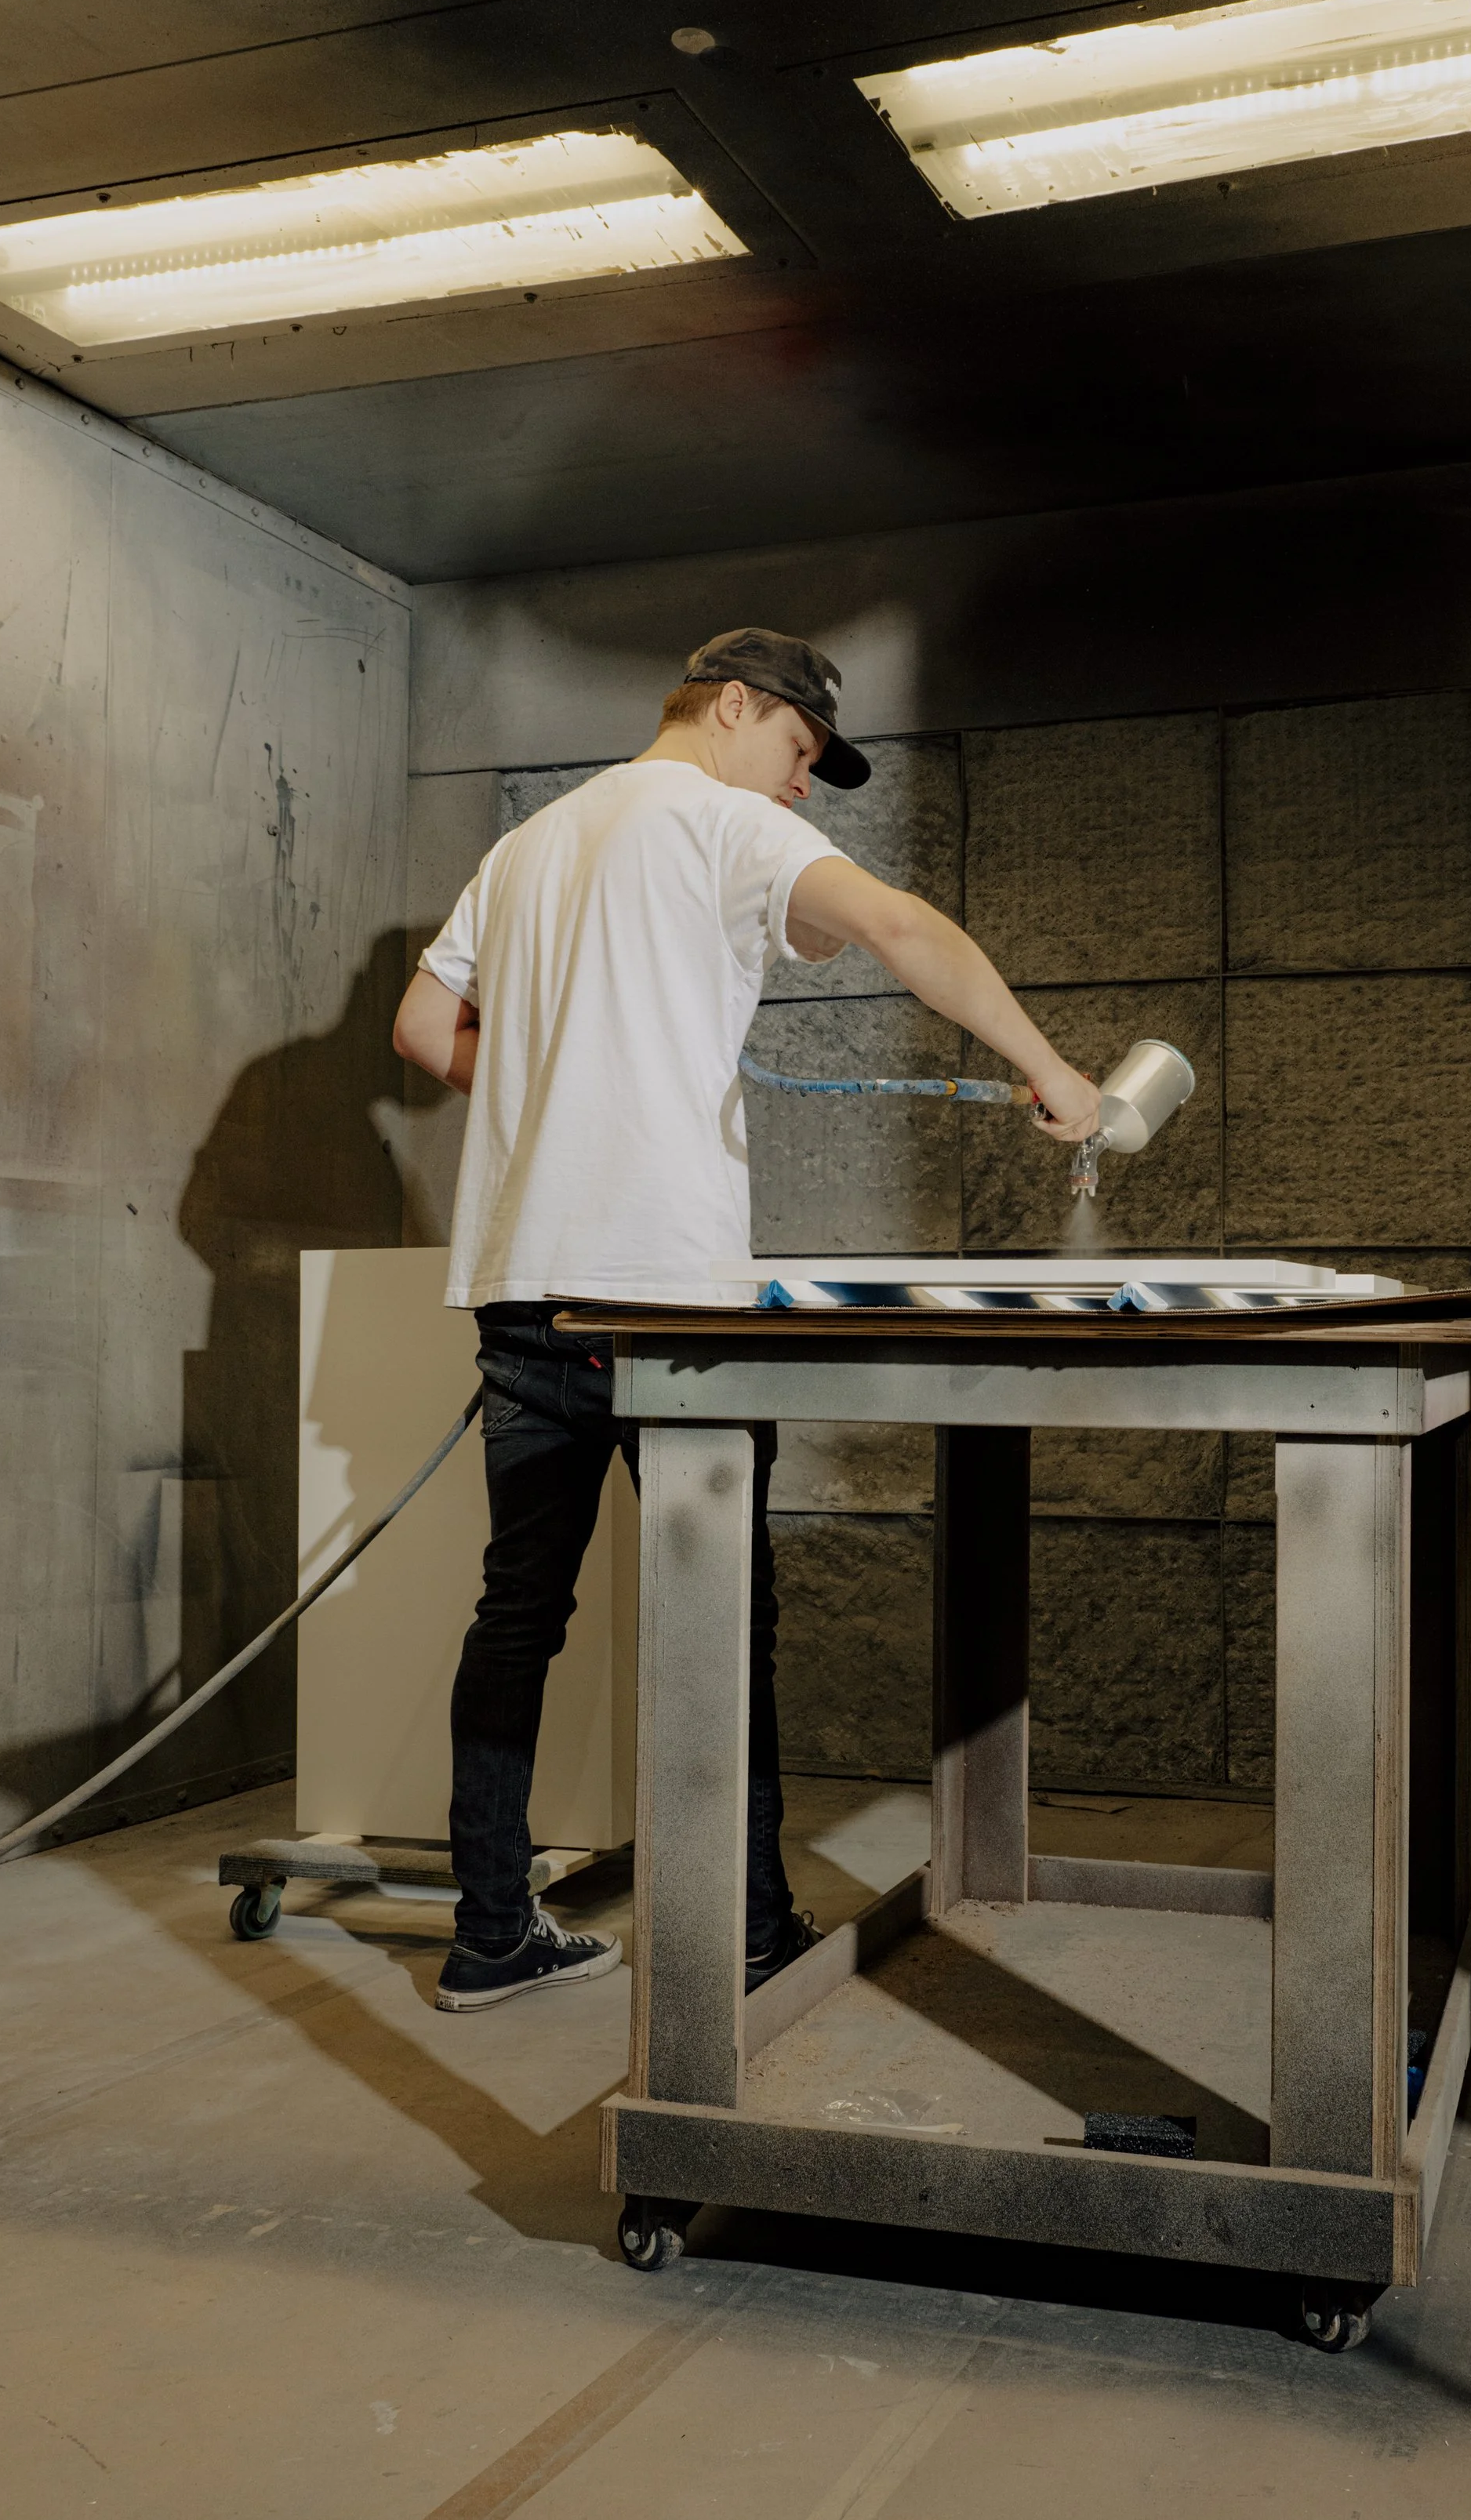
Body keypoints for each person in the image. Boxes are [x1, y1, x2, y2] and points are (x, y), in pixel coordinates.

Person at [392, 627, 1099, 2013]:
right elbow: (903, 927)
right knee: (723, 1620)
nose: (801, 785)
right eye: (799, 749)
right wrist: (1053, 1070)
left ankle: (490, 1936)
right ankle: (753, 1931)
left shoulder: (527, 847)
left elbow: (424, 1030)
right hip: (669, 1305)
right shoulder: (717, 820)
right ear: (733, 706)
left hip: (527, 1293)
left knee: (516, 1616)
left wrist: (555, 1092)